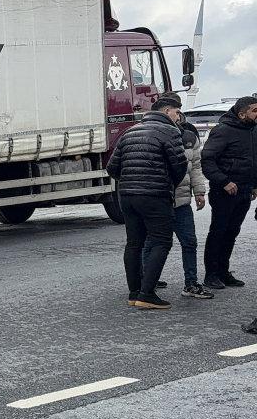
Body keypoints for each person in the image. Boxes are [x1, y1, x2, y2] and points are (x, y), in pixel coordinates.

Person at [106, 94, 188, 310]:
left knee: (134, 243)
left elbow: (112, 168)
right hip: (155, 195)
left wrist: (130, 182)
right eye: (177, 111)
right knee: (162, 241)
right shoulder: (170, 132)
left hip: (128, 196)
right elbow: (179, 166)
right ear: (166, 111)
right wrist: (167, 183)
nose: (178, 116)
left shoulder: (130, 131)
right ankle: (147, 293)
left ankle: (134, 292)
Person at [201, 95, 257, 290]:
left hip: (244, 189)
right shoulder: (223, 131)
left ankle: (224, 272)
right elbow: (207, 160)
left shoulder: (252, 131)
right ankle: (211, 274)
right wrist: (224, 181)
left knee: (232, 232)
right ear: (242, 114)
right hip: (224, 191)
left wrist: (254, 184)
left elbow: (253, 160)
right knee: (219, 232)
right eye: (255, 110)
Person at [171, 115, 213, 299]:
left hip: (181, 200)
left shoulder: (188, 137)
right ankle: (147, 283)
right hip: (157, 201)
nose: (178, 115)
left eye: (179, 110)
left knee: (189, 242)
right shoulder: (152, 135)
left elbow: (196, 167)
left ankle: (191, 283)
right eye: (174, 110)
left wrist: (199, 192)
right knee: (153, 244)